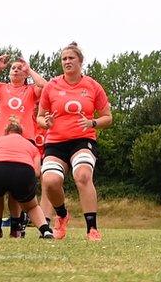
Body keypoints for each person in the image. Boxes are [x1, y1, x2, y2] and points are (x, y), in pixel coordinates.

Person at [36, 42, 113, 241]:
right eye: (64, 59)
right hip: (56, 141)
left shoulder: (92, 86)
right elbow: (39, 117)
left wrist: (92, 122)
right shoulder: (51, 86)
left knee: (83, 176)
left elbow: (107, 117)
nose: (67, 61)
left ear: (80, 61)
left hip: (83, 139)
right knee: (50, 181)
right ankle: (62, 216)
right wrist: (46, 122)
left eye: (71, 58)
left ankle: (92, 229)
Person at [0, 54, 47, 237]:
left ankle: (16, 227)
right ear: (8, 73)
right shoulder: (1, 88)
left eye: (19, 68)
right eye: (13, 68)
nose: (16, 70)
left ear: (24, 74)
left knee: (17, 190)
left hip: (25, 141)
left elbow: (46, 87)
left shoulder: (31, 90)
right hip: (1, 141)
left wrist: (30, 69)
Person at [0, 118, 54, 239]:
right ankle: (45, 231)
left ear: (5, 131)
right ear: (22, 133)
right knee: (31, 206)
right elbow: (36, 172)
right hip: (24, 172)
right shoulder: (31, 146)